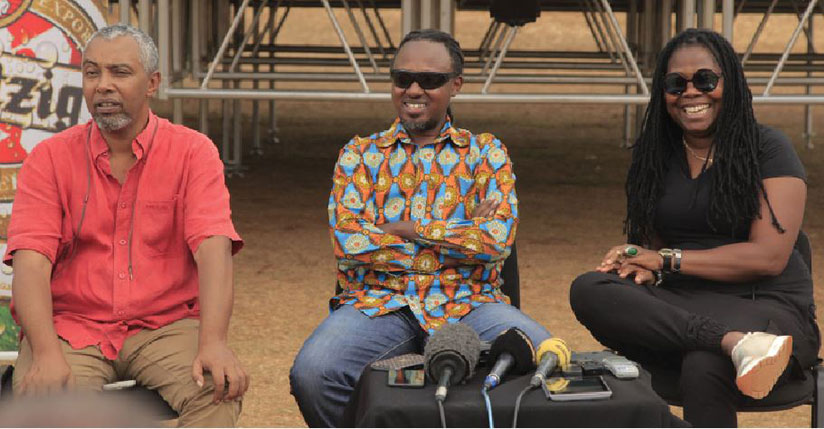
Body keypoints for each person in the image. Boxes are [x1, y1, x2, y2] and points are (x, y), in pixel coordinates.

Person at [289, 29, 553, 427]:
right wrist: (460, 233)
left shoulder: (486, 152)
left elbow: (496, 241)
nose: (414, 89)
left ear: (455, 86)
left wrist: (409, 229)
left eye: (430, 80)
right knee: (314, 373)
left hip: (471, 303)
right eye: (402, 78)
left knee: (546, 360)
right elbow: (350, 243)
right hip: (379, 304)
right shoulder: (359, 155)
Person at [569, 28, 820, 427]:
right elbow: (652, 252)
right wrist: (640, 265)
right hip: (686, 306)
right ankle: (732, 343)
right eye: (676, 83)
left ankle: (728, 343)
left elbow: (769, 257)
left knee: (703, 364)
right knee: (589, 288)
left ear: (730, 83)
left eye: (705, 79)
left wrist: (666, 260)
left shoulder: (768, 149)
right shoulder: (654, 156)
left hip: (768, 309)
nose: (691, 92)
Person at [5, 24, 249, 426]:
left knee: (216, 390)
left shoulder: (193, 152)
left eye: (119, 73)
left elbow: (214, 246)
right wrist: (46, 354)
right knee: (47, 404)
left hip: (165, 324)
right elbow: (31, 261)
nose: (102, 86)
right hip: (71, 328)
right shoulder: (49, 159)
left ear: (152, 83)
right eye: (91, 73)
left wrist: (214, 343)